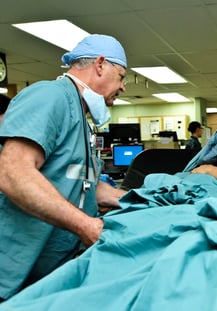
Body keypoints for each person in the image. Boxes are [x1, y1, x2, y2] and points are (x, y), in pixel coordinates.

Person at [0, 34, 128, 300]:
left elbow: (84, 183)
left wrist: (141, 201)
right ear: (101, 65)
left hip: (47, 274)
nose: (124, 87)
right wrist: (86, 226)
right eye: (122, 76)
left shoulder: (82, 120)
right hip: (13, 271)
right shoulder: (50, 96)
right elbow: (12, 173)